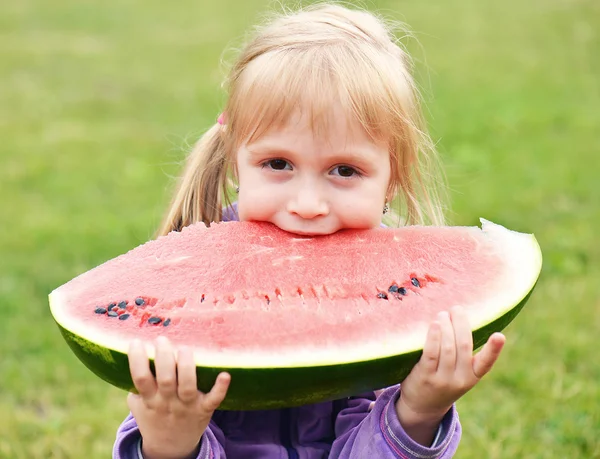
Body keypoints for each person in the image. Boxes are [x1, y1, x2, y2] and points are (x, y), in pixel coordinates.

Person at [113, 3, 506, 458]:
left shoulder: (397, 299)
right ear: (236, 158)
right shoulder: (189, 278)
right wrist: (168, 442)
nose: (307, 205)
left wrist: (415, 415)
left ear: (392, 178)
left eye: (344, 169)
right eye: (277, 164)